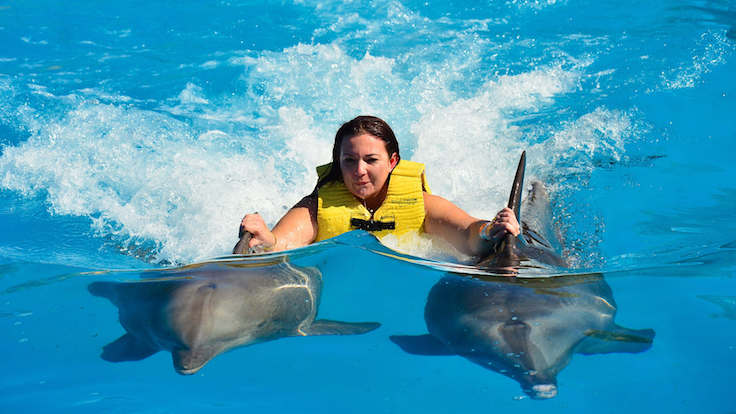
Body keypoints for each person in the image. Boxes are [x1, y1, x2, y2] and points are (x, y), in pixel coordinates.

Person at [237, 115, 520, 257]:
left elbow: (468, 235)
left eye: (371, 160)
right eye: (349, 160)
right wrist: (265, 238)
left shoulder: (419, 204)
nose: (359, 170)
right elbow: (282, 244)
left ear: (392, 161)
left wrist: (490, 230)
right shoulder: (318, 206)